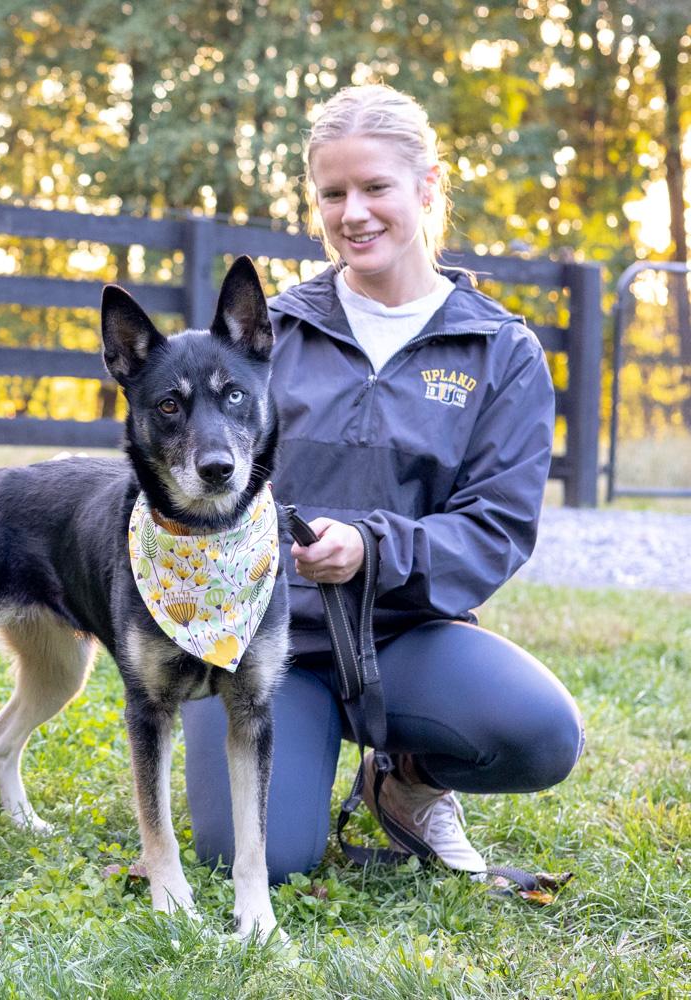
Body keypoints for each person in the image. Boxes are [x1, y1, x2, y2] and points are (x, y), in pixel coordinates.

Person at [180, 83, 585, 883]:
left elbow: (497, 528)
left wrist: (372, 548)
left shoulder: (500, 353)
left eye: (376, 188)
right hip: (264, 637)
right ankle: (287, 754)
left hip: (404, 636)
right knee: (255, 859)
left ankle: (405, 784)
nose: (353, 213)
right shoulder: (272, 335)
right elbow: (192, 480)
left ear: (428, 186)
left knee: (541, 735)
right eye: (332, 193)